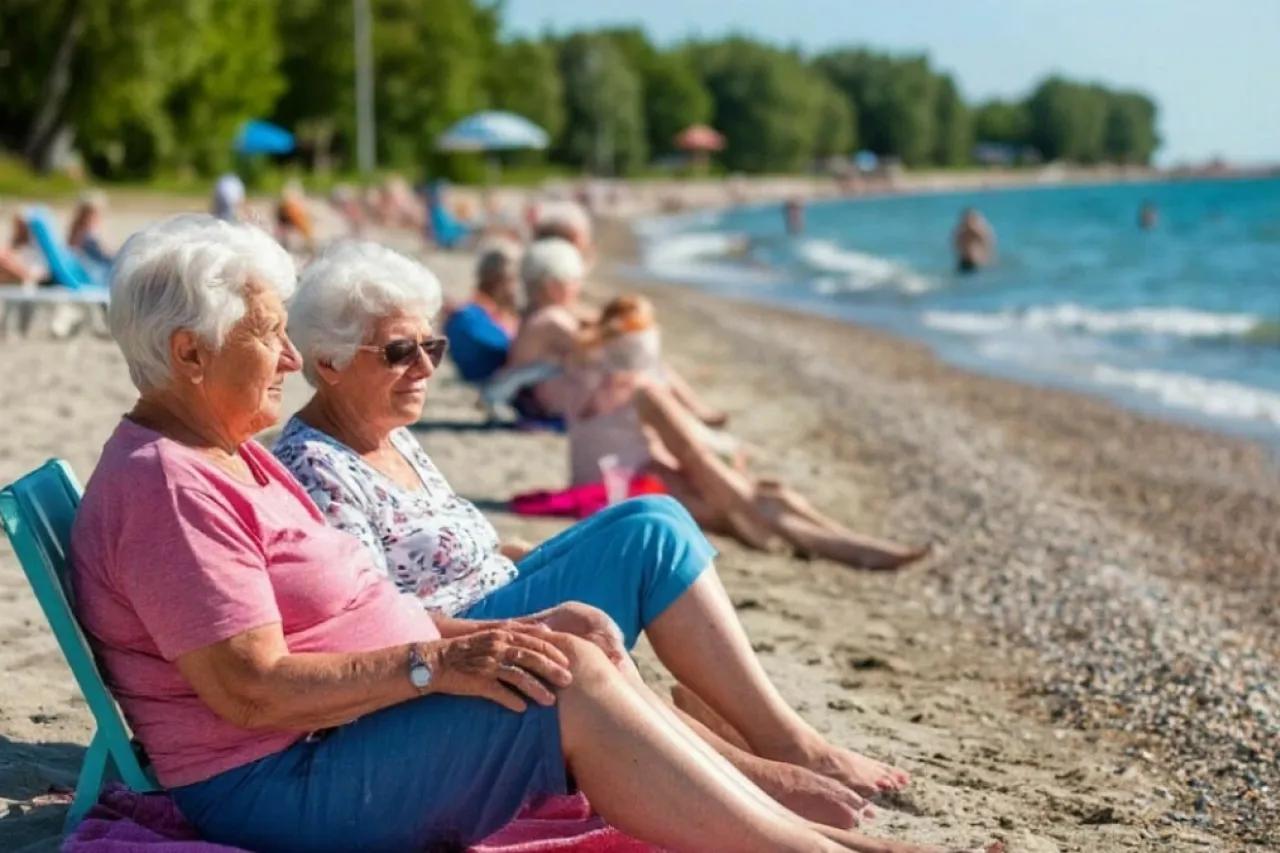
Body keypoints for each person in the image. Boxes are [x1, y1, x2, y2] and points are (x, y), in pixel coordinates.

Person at [71, 214, 980, 853]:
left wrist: (473, 638)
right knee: (571, 676)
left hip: (335, 734)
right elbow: (251, 691)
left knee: (572, 633)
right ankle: (803, 844)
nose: (286, 357)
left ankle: (787, 822)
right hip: (283, 783)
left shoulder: (228, 452)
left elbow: (352, 616)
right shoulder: (171, 487)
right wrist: (439, 664)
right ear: (190, 353)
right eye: (269, 334)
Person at [567, 296, 929, 571]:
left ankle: (850, 542)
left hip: (606, 483)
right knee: (760, 504)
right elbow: (694, 455)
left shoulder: (586, 376)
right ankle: (852, 549)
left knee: (772, 495)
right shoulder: (643, 391)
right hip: (619, 492)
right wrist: (746, 506)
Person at [502, 237, 590, 421]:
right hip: (548, 406)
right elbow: (601, 352)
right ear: (552, 286)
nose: (578, 287)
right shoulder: (552, 320)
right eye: (573, 280)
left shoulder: (532, 315)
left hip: (532, 401)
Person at [442, 238, 522, 383]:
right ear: (500, 280)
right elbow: (506, 352)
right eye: (516, 279)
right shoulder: (467, 318)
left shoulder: (473, 314)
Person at [66, 190, 114, 269]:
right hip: (91, 268)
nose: (98, 217)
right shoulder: (85, 233)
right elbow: (103, 253)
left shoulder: (80, 229)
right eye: (95, 214)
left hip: (93, 264)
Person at [952, 208, 994, 273]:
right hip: (964, 260)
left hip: (976, 261)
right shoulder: (961, 232)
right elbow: (956, 246)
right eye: (966, 219)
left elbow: (988, 245)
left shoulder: (980, 231)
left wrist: (985, 258)